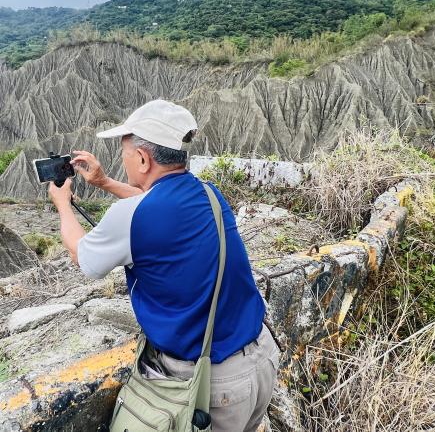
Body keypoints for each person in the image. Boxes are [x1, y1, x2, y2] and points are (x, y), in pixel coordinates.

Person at [47, 99, 278, 431]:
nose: (123, 159)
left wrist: (62, 205)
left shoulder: (129, 217)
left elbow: (82, 256)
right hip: (261, 361)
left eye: (125, 153)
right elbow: (151, 205)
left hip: (211, 387)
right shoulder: (208, 193)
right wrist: (105, 182)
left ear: (143, 159)